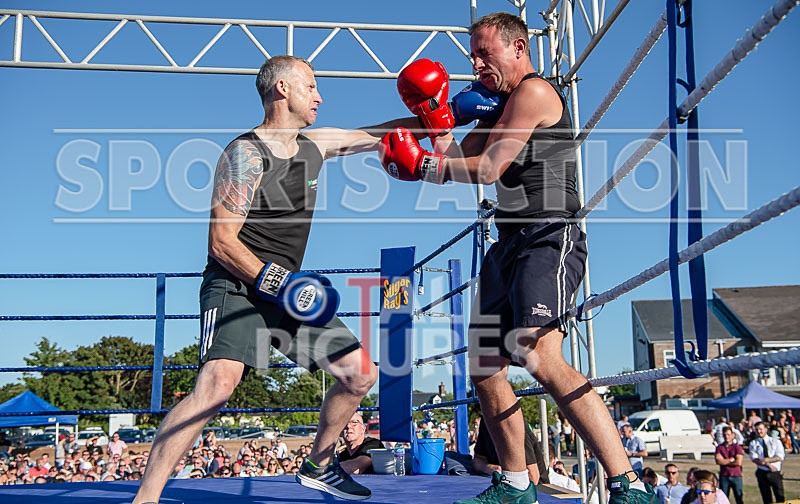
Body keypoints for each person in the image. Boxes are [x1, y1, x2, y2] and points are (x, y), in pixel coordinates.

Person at [375, 12, 655, 504]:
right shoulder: (496, 106)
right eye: (473, 55)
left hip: (548, 234)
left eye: (487, 53)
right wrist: (436, 118)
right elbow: (460, 157)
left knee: (539, 355)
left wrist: (420, 166)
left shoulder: (534, 93)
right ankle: (516, 481)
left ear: (519, 48)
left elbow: (487, 169)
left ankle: (628, 484)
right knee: (483, 365)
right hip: (507, 242)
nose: (477, 63)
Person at [131, 54, 397, 503]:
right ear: (283, 90)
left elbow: (378, 133)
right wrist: (277, 282)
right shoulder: (245, 154)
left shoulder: (318, 143)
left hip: (287, 291)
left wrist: (438, 112)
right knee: (216, 386)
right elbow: (221, 243)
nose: (319, 95)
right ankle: (146, 499)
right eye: (311, 85)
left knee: (359, 374)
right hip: (236, 283)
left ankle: (318, 465)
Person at [473, 414, 547, 484]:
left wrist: (505, 475)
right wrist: (488, 468)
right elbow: (477, 460)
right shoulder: (486, 420)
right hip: (500, 483)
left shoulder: (515, 424)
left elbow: (533, 477)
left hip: (536, 490)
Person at [748, 421, 784, 504]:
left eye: (761, 429)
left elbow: (779, 457)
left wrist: (765, 460)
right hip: (762, 472)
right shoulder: (753, 443)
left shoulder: (775, 442)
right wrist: (768, 464)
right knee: (766, 498)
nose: (759, 431)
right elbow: (754, 459)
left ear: (766, 429)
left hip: (775, 473)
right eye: (757, 430)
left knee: (780, 497)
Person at [714, 426, 743, 504]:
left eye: (728, 434)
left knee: (739, 498)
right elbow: (718, 461)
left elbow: (738, 462)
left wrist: (724, 461)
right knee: (723, 498)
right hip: (724, 475)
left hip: (736, 475)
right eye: (725, 435)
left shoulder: (737, 447)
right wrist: (731, 460)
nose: (727, 437)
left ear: (732, 435)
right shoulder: (719, 447)